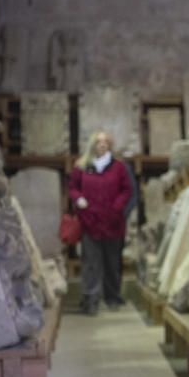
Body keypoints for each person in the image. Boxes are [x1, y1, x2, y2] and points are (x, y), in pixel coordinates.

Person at [68, 131, 132, 314]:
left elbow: (126, 190)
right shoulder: (81, 166)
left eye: (105, 142)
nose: (102, 145)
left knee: (112, 262)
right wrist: (79, 199)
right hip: (90, 222)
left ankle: (112, 297)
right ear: (92, 145)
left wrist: (117, 207)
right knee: (90, 263)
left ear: (110, 145)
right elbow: (73, 187)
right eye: (98, 142)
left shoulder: (118, 167)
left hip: (113, 222)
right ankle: (90, 299)